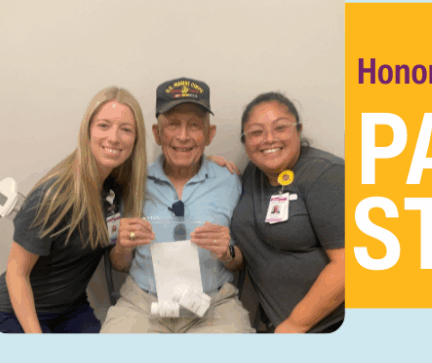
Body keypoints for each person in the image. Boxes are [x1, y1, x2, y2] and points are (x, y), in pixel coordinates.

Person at [0, 87, 149, 333]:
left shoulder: (114, 191)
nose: (114, 138)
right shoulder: (52, 196)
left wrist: (124, 245)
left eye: (125, 129)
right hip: (14, 312)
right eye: (104, 126)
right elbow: (16, 273)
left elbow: (118, 265)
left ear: (136, 139)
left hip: (70, 309)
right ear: (87, 131)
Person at [101, 77, 254, 333]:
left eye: (194, 126)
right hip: (143, 303)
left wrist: (227, 252)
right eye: (172, 125)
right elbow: (119, 264)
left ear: (209, 134)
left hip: (213, 305)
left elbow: (241, 262)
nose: (183, 137)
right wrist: (123, 247)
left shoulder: (230, 181)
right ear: (157, 133)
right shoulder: (130, 182)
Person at [231, 92, 344, 333]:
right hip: (280, 326)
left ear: (298, 130)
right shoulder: (252, 175)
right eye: (256, 132)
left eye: (280, 127)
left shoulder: (325, 174)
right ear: (245, 141)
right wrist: (208, 164)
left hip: (331, 324)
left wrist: (295, 325)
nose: (269, 139)